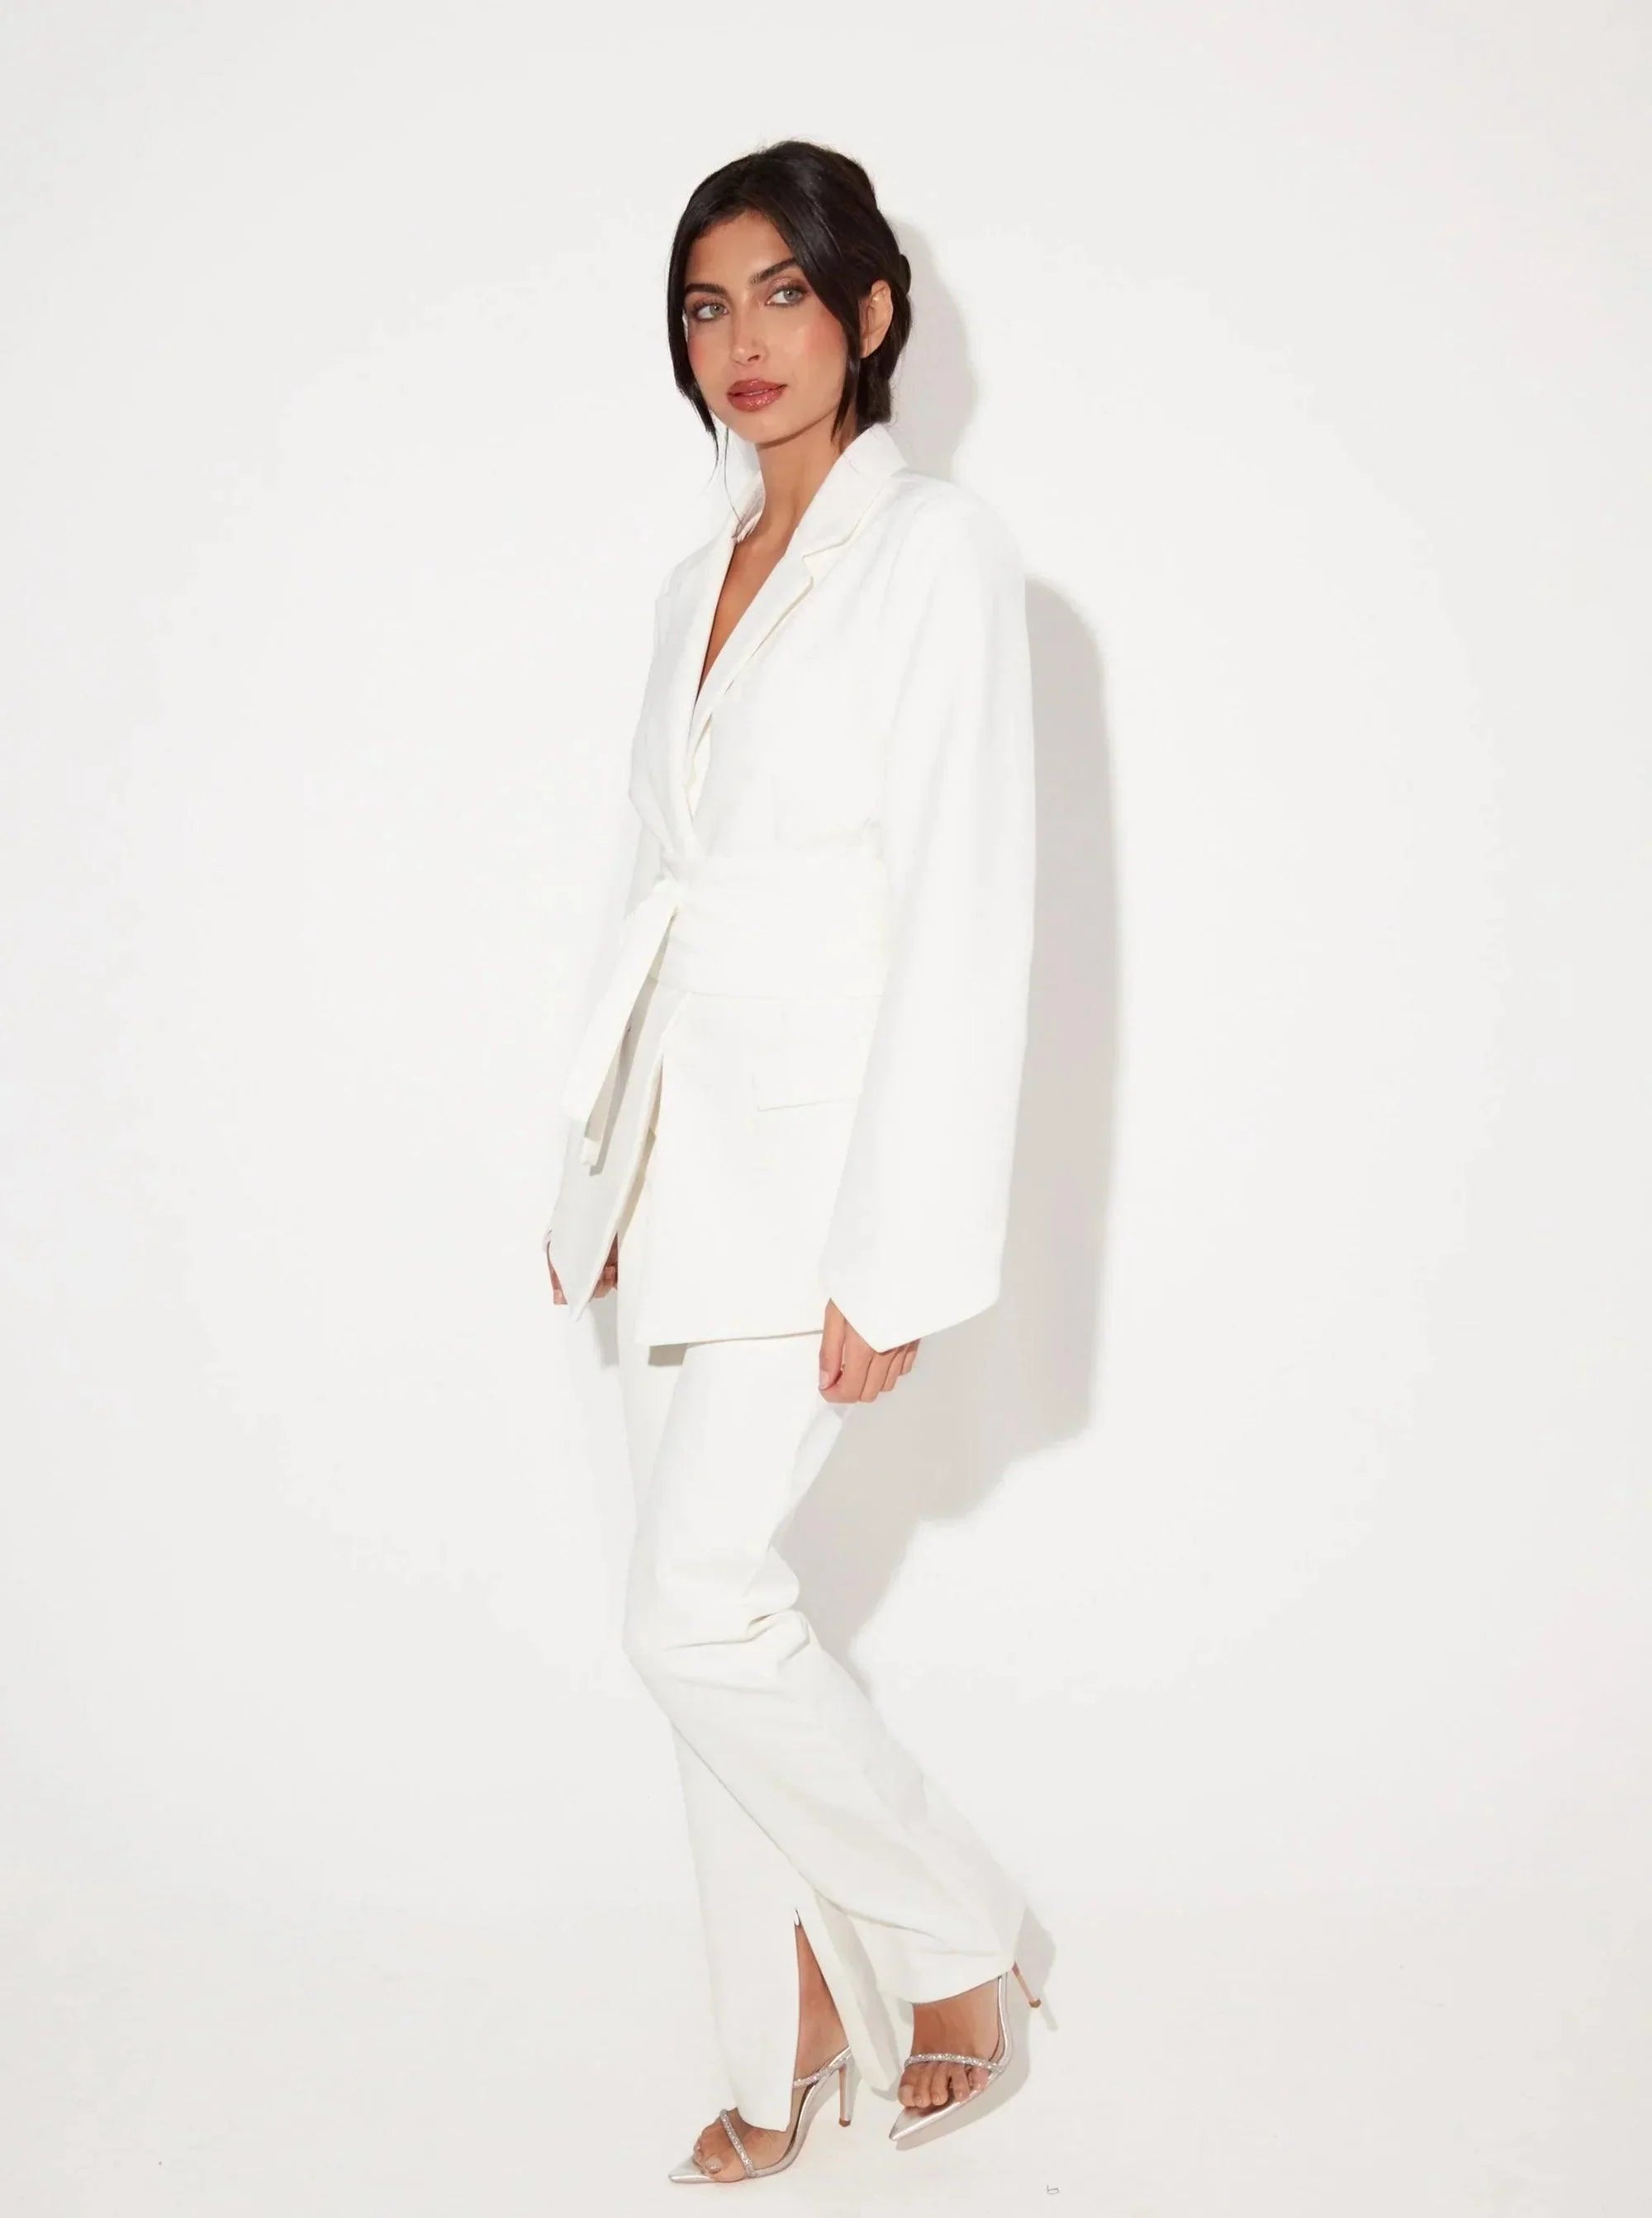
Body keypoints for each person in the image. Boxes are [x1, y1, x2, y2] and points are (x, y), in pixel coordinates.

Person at [543, 138, 1043, 2184]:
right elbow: (654, 890)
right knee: (703, 1628)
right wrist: (600, 1167)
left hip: (825, 1181)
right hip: (675, 1179)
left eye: (779, 293)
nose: (740, 339)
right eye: (704, 303)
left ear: (870, 314)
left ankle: (948, 1945)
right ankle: (777, 2034)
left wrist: (895, 1248)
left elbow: (963, 907)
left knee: (693, 1609)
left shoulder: (936, 555)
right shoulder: (695, 585)